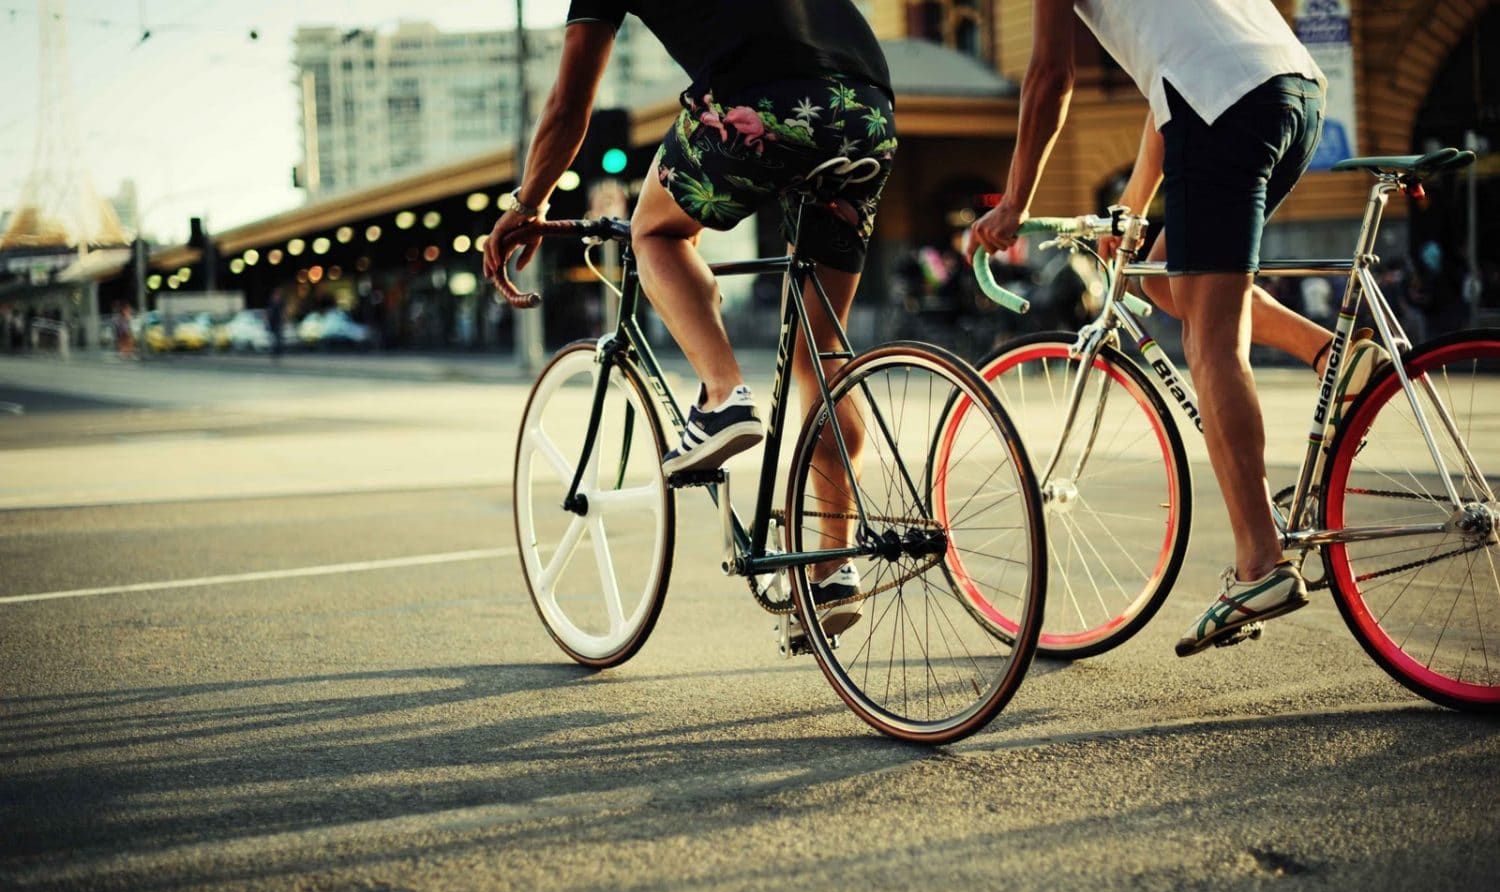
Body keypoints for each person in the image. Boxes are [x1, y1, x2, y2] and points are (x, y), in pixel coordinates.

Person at [966, 0, 1387, 656]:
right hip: (1292, 90)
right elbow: (1177, 80)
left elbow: (1050, 73)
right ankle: (1330, 352)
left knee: (1212, 339)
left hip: (1223, 106)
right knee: (1168, 276)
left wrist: (1015, 202)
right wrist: (1131, 207)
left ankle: (1259, 564)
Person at [483, 0, 897, 633]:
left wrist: (526, 202)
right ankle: (832, 566)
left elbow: (569, 107)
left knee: (653, 233)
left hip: (763, 104)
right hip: (866, 113)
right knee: (824, 357)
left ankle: (723, 397)